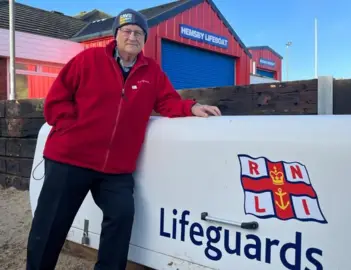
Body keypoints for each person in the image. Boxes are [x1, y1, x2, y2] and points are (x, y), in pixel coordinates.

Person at [26, 8, 221, 270]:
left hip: (115, 167)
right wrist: (71, 128)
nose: (132, 36)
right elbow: (56, 100)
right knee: (51, 222)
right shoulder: (88, 60)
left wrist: (191, 108)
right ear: (116, 35)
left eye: (139, 32)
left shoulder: (151, 71)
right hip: (70, 157)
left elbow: (167, 101)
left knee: (121, 216)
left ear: (145, 39)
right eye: (127, 31)